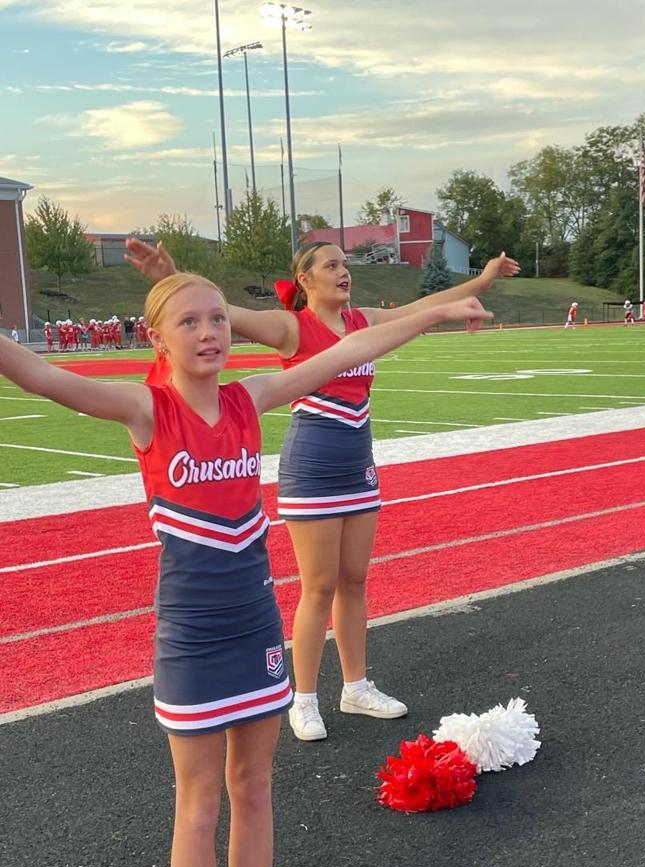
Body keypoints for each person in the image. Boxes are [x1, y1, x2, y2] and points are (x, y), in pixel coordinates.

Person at [0, 274, 491, 867]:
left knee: (254, 789)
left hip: (258, 623)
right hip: (193, 635)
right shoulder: (146, 409)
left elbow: (350, 348)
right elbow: (41, 374)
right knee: (197, 803)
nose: (210, 332)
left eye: (218, 319)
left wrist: (435, 313)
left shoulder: (248, 400)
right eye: (189, 322)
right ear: (158, 337)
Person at [125, 237, 519, 743]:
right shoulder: (291, 327)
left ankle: (356, 685)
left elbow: (427, 307)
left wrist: (483, 280)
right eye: (331, 265)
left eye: (346, 263)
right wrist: (169, 274)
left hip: (358, 465)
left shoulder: (363, 322)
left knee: (355, 579)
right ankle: (303, 697)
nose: (343, 271)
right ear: (305, 279)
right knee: (319, 587)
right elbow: (216, 310)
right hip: (312, 467)